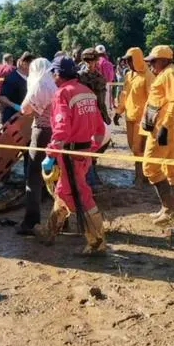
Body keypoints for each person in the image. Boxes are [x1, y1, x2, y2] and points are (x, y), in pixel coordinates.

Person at [34, 56, 106, 255]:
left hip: (69, 155)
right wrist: (92, 148)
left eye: (54, 73)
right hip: (83, 153)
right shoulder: (87, 92)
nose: (52, 77)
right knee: (63, 190)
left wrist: (50, 154)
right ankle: (49, 231)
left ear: (59, 74)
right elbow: (100, 127)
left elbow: (61, 129)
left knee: (80, 195)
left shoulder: (62, 94)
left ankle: (97, 242)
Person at [141, 45, 174, 225]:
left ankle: (169, 209)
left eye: (153, 61)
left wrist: (165, 127)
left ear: (163, 60)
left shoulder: (169, 75)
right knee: (170, 169)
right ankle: (171, 209)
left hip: (164, 130)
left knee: (150, 168)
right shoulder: (168, 74)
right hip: (165, 128)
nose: (150, 64)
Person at [16, 58, 57, 235]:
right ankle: (61, 221)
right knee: (57, 176)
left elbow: (25, 109)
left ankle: (31, 221)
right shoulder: (55, 82)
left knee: (33, 176)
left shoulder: (40, 84)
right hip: (58, 133)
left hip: (41, 131)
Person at [114, 47, 154, 187]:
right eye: (127, 61)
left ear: (137, 59)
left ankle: (141, 177)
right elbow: (124, 95)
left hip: (141, 120)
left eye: (130, 60)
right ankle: (141, 175)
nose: (128, 63)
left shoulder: (148, 76)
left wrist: (149, 119)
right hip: (129, 117)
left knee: (139, 149)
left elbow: (152, 99)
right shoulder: (128, 75)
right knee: (133, 148)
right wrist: (119, 111)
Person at [0, 52, 34, 125]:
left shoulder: (30, 78)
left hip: (25, 118)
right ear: (23, 63)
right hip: (12, 118)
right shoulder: (12, 78)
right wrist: (16, 106)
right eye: (31, 64)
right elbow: (1, 98)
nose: (33, 67)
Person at [78, 48, 111, 125]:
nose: (89, 63)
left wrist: (105, 117)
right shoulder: (79, 76)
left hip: (96, 113)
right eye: (87, 61)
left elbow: (101, 102)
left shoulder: (100, 78)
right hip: (82, 113)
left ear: (96, 61)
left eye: (92, 60)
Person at [0, 53, 16, 126]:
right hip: (11, 100)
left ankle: (1, 134)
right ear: (10, 60)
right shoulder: (13, 69)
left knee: (0, 122)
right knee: (12, 122)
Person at [95, 45, 115, 110]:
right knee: (106, 110)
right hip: (107, 87)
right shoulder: (109, 63)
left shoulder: (95, 63)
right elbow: (111, 79)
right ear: (105, 52)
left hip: (96, 88)